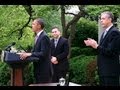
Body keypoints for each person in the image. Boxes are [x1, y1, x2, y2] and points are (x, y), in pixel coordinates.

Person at [84, 11, 120, 86]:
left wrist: (96, 46)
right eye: (101, 19)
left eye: (103, 18)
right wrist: (93, 45)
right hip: (103, 71)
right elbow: (102, 50)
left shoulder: (114, 32)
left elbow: (110, 52)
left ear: (110, 19)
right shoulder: (105, 32)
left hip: (110, 72)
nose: (101, 20)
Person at [19, 18, 52, 84]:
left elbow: (43, 53)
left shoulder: (44, 37)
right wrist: (26, 53)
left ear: (39, 26)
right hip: (38, 70)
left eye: (33, 24)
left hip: (44, 71)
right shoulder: (37, 37)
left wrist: (30, 54)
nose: (32, 26)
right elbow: (36, 52)